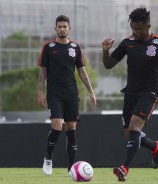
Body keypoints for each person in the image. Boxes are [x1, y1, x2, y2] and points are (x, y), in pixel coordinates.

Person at [102, 8, 158, 181]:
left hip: (150, 93)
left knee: (134, 129)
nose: (135, 32)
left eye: (138, 29)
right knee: (130, 134)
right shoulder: (127, 43)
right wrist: (105, 51)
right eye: (132, 28)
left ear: (148, 26)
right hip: (130, 93)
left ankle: (124, 168)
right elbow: (109, 65)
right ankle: (155, 147)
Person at [37, 15, 97, 176]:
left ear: (69, 28)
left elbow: (82, 72)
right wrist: (40, 92)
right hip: (54, 94)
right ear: (55, 28)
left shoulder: (75, 47)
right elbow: (42, 72)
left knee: (71, 129)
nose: (62, 29)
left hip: (71, 94)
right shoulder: (48, 47)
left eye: (65, 26)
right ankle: (48, 158)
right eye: (59, 26)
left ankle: (71, 169)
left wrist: (91, 92)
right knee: (57, 127)